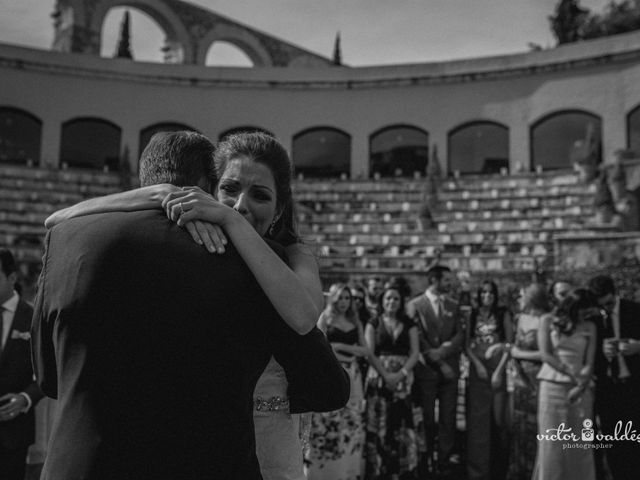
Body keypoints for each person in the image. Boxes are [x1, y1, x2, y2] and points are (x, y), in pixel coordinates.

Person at [33, 131, 350, 480]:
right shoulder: (242, 263)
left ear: (280, 208)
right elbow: (327, 386)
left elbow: (49, 379)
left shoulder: (66, 237)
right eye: (228, 189)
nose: (240, 205)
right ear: (206, 189)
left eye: (260, 195)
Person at [533, 288, 599, 480]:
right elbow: (546, 354)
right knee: (552, 444)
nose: (586, 315)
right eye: (584, 310)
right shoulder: (547, 320)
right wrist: (571, 373)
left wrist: (580, 385)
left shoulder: (589, 327)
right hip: (552, 385)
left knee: (580, 444)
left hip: (581, 389)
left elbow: (589, 362)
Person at [307, 283, 369, 480]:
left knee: (351, 421)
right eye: (340, 297)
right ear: (333, 298)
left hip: (353, 374)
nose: (344, 302)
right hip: (331, 373)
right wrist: (341, 347)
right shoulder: (325, 317)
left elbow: (365, 350)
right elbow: (319, 347)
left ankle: (348, 471)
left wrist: (343, 349)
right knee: (327, 420)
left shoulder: (355, 320)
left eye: (347, 298)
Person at [406, 265, 463, 478]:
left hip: (450, 371)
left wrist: (444, 351)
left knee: (448, 418)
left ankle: (444, 460)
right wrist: (437, 359)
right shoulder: (415, 305)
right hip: (427, 371)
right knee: (427, 418)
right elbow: (418, 338)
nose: (450, 283)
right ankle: (426, 458)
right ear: (434, 280)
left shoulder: (454, 305)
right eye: (447, 279)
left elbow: (460, 334)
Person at [364, 284, 420, 479]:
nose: (392, 302)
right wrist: (386, 375)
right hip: (379, 379)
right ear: (382, 301)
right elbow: (369, 353)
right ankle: (378, 470)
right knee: (379, 423)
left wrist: (401, 374)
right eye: (388, 298)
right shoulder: (373, 323)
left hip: (403, 382)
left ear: (401, 302)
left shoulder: (409, 324)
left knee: (401, 424)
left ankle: (401, 470)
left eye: (396, 299)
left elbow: (415, 353)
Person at [588, 275, 640, 480]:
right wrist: (601, 351)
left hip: (633, 385)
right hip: (607, 388)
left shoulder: (634, 310)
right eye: (601, 306)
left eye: (609, 303)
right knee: (612, 441)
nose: (606, 309)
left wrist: (638, 347)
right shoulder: (592, 318)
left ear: (615, 293)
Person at [0, 249, 44, 480]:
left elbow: (48, 373)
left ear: (12, 278)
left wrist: (24, 399)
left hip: (14, 433)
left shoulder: (34, 317)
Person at [465, 280, 512, 480]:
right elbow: (466, 344)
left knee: (499, 420)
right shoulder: (472, 314)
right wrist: (477, 365)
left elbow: (509, 344)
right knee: (478, 422)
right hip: (478, 371)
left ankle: (500, 470)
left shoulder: (503, 314)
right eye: (483, 292)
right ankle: (477, 472)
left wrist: (499, 371)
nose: (487, 296)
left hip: (498, 370)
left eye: (491, 292)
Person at [507, 283, 550, 480]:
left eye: (522, 295)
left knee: (536, 425)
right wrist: (515, 361)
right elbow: (514, 346)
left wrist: (518, 353)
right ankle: (519, 469)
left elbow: (546, 354)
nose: (519, 298)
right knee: (519, 425)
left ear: (532, 297)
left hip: (538, 377)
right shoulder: (521, 318)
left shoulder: (545, 320)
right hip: (520, 379)